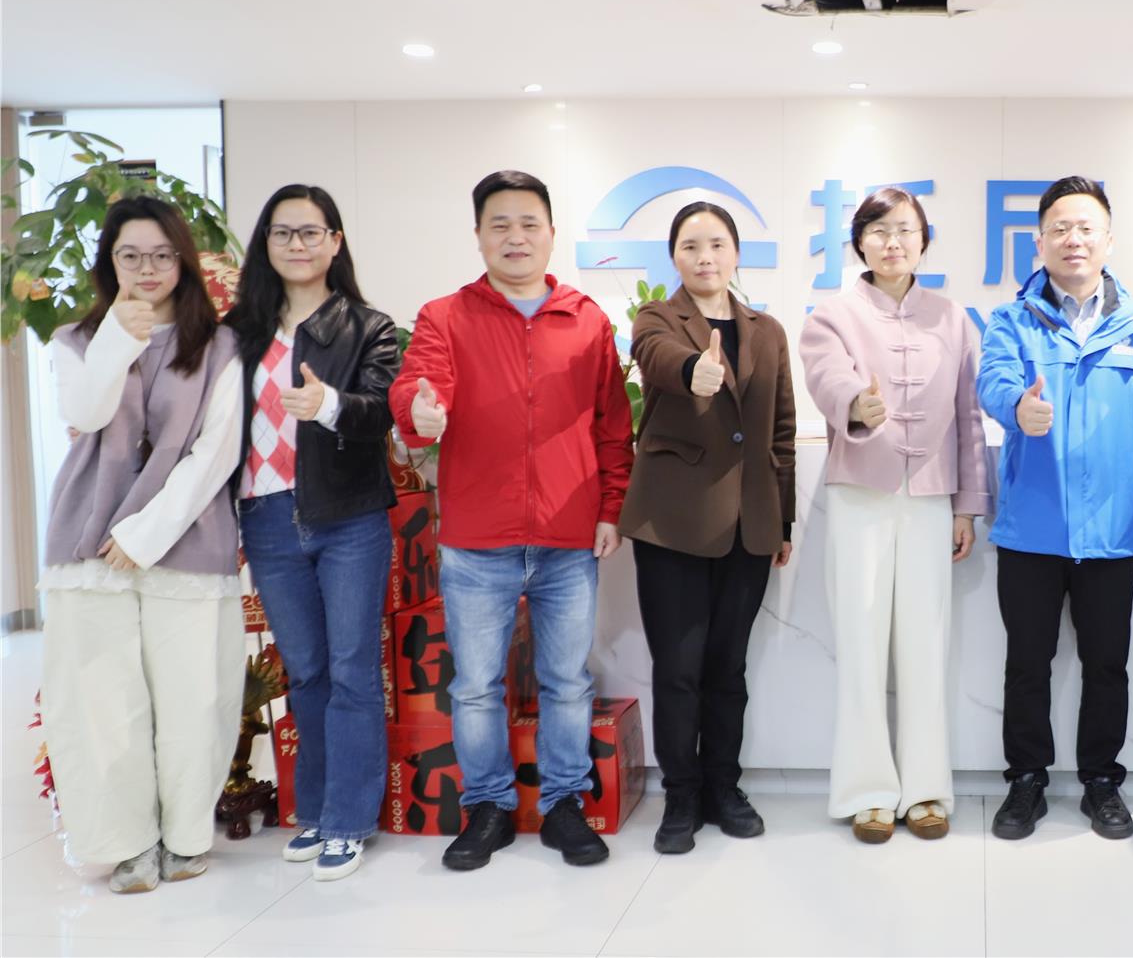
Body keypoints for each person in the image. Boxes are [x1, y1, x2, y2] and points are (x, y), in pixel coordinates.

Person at [389, 170, 633, 871]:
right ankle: (488, 807)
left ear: (551, 234)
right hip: (477, 539)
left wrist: (610, 508)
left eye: (529, 223)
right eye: (500, 224)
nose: (515, 237)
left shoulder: (586, 320)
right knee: (475, 687)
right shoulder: (446, 317)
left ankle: (563, 805)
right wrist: (419, 413)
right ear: (478, 235)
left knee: (566, 681)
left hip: (567, 536)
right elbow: (417, 390)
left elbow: (613, 426)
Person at [40, 196, 245, 892]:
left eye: (162, 254)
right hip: (87, 544)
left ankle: (186, 835)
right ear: (110, 263)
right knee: (101, 702)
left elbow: (216, 452)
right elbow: (85, 412)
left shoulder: (219, 347)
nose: (148, 268)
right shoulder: (74, 339)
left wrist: (143, 534)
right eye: (131, 255)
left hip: (185, 538)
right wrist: (116, 339)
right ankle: (128, 845)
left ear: (183, 261)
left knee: (194, 696)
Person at [975, 175, 1133, 841]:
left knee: (1107, 665)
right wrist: (1019, 407)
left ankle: (1101, 781)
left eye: (1086, 227)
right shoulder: (1011, 320)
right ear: (1039, 242)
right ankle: (1025, 781)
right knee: (1026, 666)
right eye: (1059, 228)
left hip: (1114, 529)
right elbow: (993, 381)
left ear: (1108, 240)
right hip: (1031, 528)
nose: (1073, 239)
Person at [799, 187, 988, 843]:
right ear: (859, 242)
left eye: (905, 229)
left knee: (925, 644)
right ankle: (868, 792)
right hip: (861, 493)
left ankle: (926, 788)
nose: (892, 242)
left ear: (923, 240)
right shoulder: (834, 314)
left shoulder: (953, 318)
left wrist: (969, 506)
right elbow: (826, 374)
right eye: (878, 230)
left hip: (932, 498)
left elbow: (968, 416)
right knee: (860, 644)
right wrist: (857, 402)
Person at [228, 184, 399, 879]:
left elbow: (382, 411)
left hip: (348, 517)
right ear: (265, 243)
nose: (296, 245)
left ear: (335, 242)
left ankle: (349, 821)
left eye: (310, 232)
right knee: (306, 672)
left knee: (353, 669)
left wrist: (328, 404)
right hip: (267, 519)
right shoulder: (237, 332)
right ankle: (320, 810)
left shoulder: (369, 326)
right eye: (282, 232)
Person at [622, 201, 797, 855]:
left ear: (736, 253)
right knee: (679, 669)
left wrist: (783, 519)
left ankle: (725, 787)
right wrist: (692, 370)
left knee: (729, 668)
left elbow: (781, 431)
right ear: (674, 256)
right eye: (691, 246)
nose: (705, 257)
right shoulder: (658, 319)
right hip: (672, 523)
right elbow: (656, 357)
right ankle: (681, 794)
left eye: (717, 244)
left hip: (750, 526)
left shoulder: (767, 331)